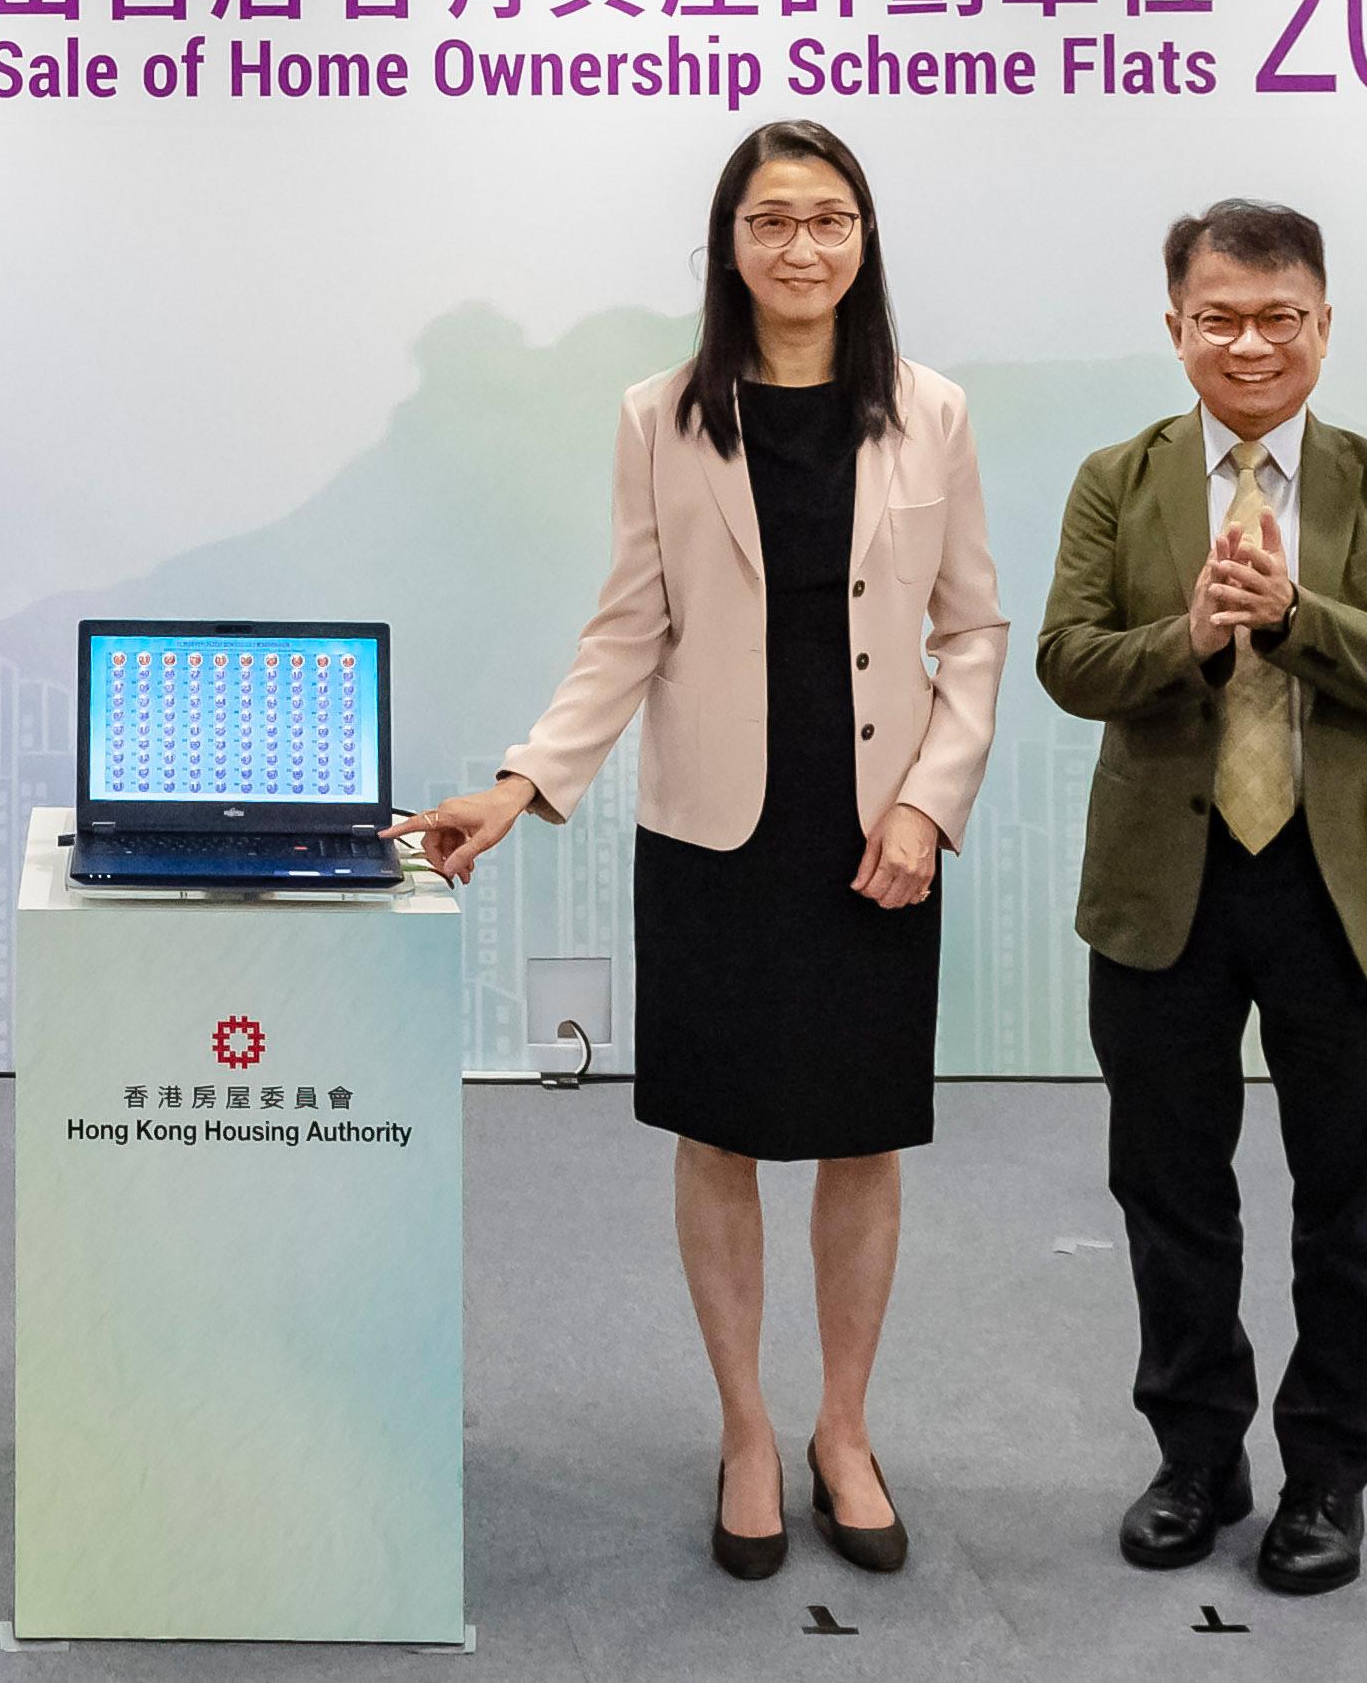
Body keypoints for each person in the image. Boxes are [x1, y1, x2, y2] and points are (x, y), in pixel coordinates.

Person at [387, 121, 1005, 1580]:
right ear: (729, 244)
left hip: (874, 831)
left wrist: (930, 801)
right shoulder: (661, 415)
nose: (804, 248)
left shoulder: (933, 412)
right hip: (716, 831)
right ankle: (744, 1426)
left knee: (862, 1133)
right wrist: (521, 780)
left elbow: (972, 630)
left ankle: (843, 1429)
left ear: (865, 241)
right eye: (773, 221)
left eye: (832, 220)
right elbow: (629, 627)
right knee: (718, 1128)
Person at [1034, 200, 1367, 1595]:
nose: (1249, 341)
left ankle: (1329, 1475)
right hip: (1166, 882)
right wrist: (1191, 632)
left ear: (1324, 326)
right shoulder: (1119, 479)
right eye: (1218, 316)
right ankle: (1197, 1457)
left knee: (1352, 1208)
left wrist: (1294, 617)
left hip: (1342, 892)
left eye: (1279, 315)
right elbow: (1066, 658)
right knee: (1172, 1193)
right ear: (1176, 329)